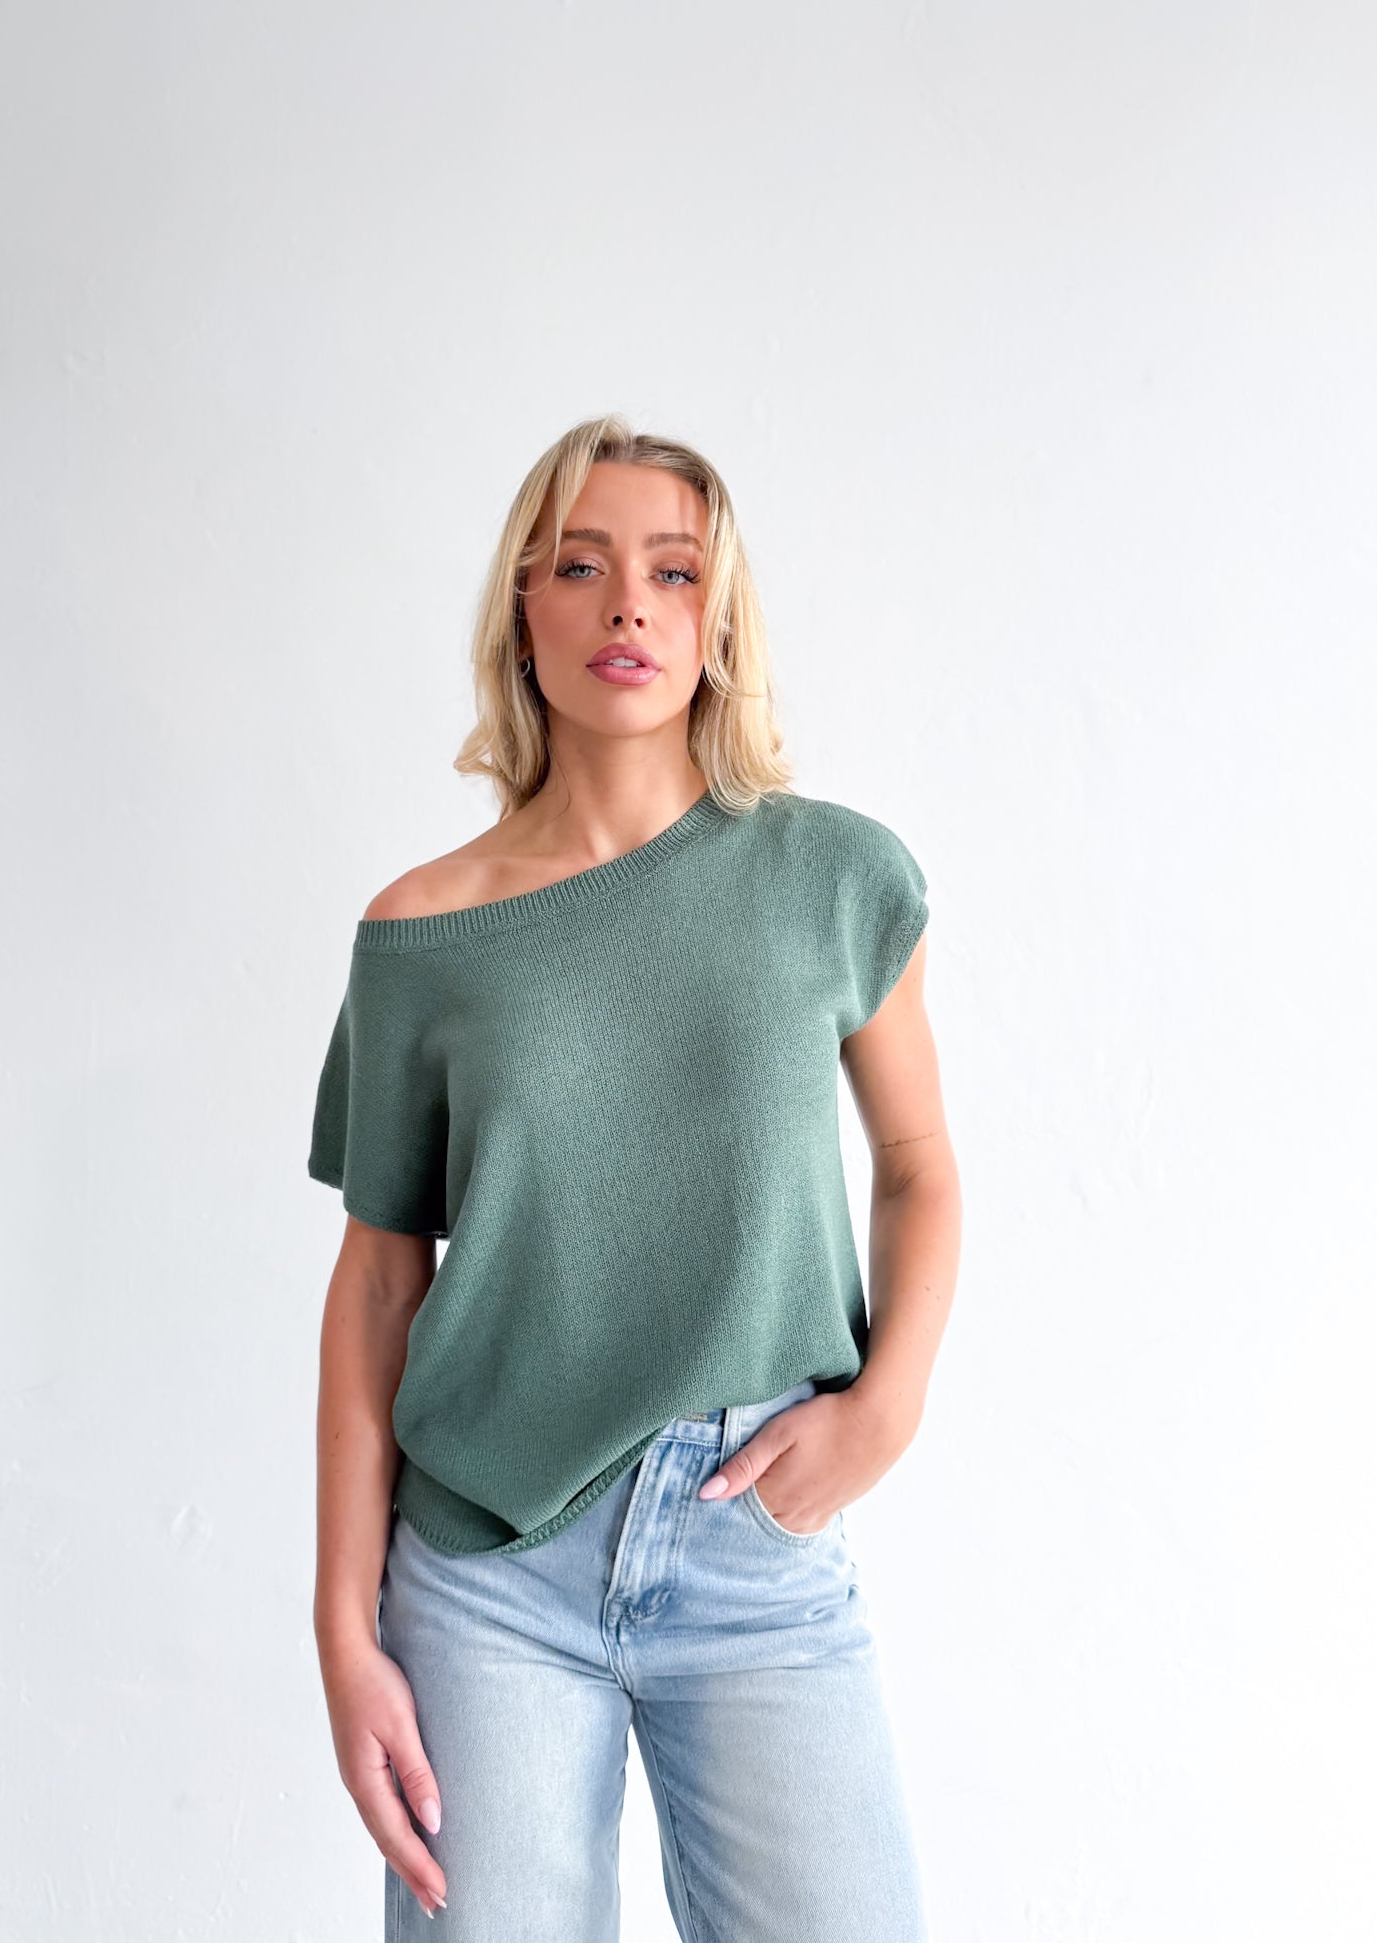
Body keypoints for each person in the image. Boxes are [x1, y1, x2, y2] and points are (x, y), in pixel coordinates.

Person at [308, 415, 962, 1940]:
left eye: (674, 571)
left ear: (718, 620)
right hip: (488, 1567)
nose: (628, 606)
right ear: (522, 608)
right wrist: (343, 1628)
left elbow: (919, 1165)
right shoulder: (422, 933)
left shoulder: (833, 878)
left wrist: (887, 1408)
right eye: (580, 565)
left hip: (756, 1536)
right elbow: (382, 1282)